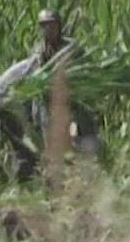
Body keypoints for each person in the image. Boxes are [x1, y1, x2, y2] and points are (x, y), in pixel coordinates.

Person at [28, 9, 100, 156]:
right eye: (45, 26)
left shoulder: (71, 47)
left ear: (59, 27)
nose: (49, 30)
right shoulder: (39, 51)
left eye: (53, 26)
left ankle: (89, 154)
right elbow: (35, 72)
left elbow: (86, 66)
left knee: (85, 124)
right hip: (48, 98)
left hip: (72, 93)